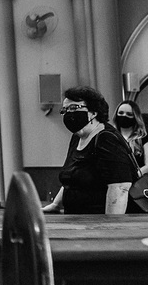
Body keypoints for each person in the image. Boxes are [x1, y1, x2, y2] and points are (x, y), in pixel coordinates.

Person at [43, 86, 134, 214]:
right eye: (65, 110)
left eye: (74, 108)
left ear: (94, 112)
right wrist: (56, 204)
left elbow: (120, 187)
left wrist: (112, 226)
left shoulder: (106, 138)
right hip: (77, 219)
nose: (68, 113)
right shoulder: (77, 137)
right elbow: (72, 179)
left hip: (98, 220)